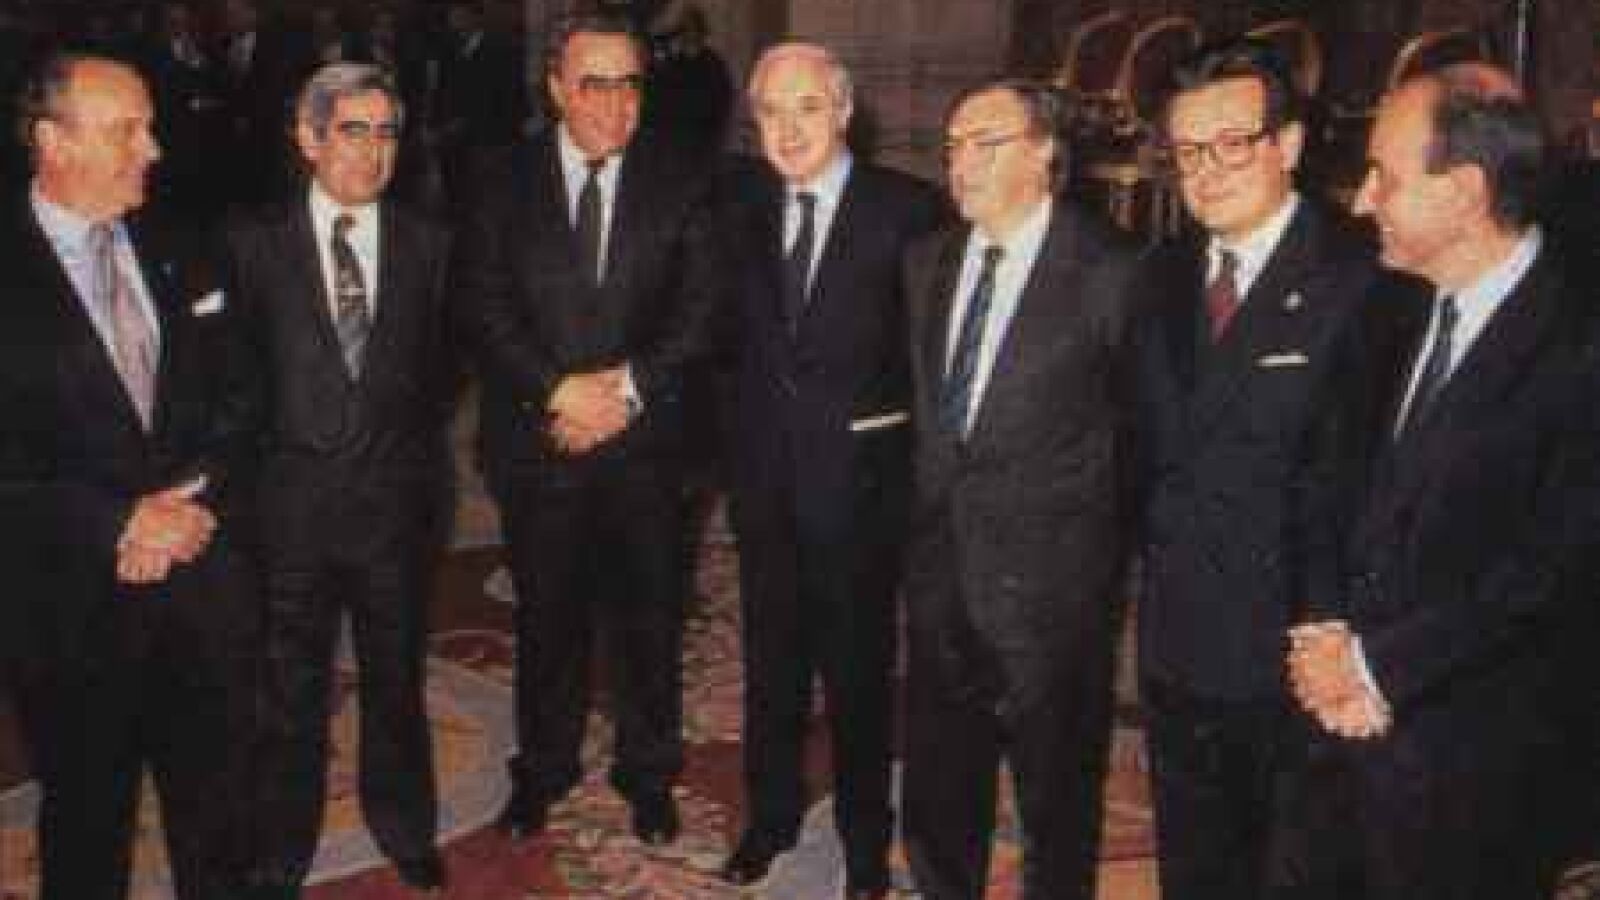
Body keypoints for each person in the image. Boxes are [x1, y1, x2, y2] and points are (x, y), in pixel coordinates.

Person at [1289, 62, 1600, 900]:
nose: (1362, 200)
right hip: (1333, 736)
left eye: (1384, 177)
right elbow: (1323, 482)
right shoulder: (1386, 303)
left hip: (1470, 768)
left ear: (1464, 193)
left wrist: (1375, 667)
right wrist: (1325, 637)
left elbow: (1550, 571)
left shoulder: (1579, 345)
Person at [455, 8, 719, 847]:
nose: (614, 103)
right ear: (556, 88)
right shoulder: (499, 177)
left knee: (650, 620)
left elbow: (699, 310)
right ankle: (543, 770)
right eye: (594, 83)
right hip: (539, 440)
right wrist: (559, 392)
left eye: (629, 83)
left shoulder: (686, 176)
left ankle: (648, 774)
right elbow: (482, 306)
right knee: (547, 620)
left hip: (649, 445)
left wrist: (624, 395)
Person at [1123, 39, 1377, 900]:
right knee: (1196, 870)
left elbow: (1366, 481)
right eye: (1189, 151)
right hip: (1179, 639)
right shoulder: (1157, 275)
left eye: (1232, 144)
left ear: (1289, 144)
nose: (1207, 171)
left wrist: (1339, 640)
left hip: (1299, 651)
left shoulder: (1363, 273)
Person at [0, 52, 252, 900]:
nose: (154, 148)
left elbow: (241, 394)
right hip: (69, 601)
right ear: (53, 141)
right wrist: (117, 520)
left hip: (198, 575)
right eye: (128, 130)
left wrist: (189, 502)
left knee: (218, 818)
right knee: (86, 822)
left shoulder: (182, 239)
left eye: (149, 127)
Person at [900, 79, 1139, 900]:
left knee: (1056, 791)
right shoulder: (926, 262)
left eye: (984, 143)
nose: (960, 163)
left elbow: (1136, 439)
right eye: (952, 146)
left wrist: (1091, 563)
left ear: (1044, 153)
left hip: (1052, 584)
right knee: (939, 778)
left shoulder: (1112, 271)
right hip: (941, 566)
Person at [715, 41, 942, 899]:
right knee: (769, 667)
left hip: (861, 489)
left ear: (845, 111)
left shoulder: (909, 211)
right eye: (771, 111)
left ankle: (862, 842)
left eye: (808, 107)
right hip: (764, 483)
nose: (789, 128)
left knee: (858, 680)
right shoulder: (738, 206)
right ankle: (770, 819)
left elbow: (929, 365)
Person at [224, 62, 455, 897]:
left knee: (396, 682)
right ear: (308, 137)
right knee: (288, 692)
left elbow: (441, 370)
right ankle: (279, 850)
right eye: (353, 130)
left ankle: (405, 827)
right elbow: (235, 380)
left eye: (386, 133)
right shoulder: (252, 243)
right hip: (289, 514)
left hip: (394, 507)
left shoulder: (430, 243)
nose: (372, 151)